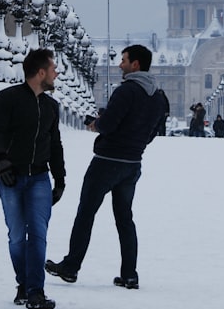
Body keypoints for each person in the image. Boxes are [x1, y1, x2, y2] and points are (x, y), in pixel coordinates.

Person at [46, 44, 166, 290]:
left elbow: (109, 125)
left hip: (107, 161)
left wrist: (96, 125)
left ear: (135, 64)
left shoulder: (126, 91)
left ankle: (71, 267)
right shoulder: (159, 97)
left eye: (124, 60)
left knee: (86, 213)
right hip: (132, 164)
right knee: (125, 219)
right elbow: (154, 132)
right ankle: (129, 274)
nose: (120, 64)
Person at [0, 48, 66, 309]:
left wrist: (60, 178)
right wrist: (2, 161)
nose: (56, 74)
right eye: (53, 69)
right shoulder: (8, 98)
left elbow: (55, 144)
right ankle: (23, 284)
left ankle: (35, 291)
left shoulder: (51, 106)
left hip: (40, 178)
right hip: (11, 177)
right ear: (40, 72)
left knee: (39, 236)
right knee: (18, 236)